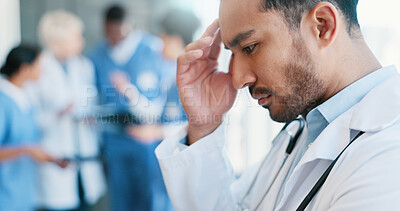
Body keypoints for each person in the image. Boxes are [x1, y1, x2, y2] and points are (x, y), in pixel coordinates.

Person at [155, 0, 400, 210]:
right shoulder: (302, 130)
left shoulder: (389, 160)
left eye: (249, 47)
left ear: (322, 26)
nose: (238, 79)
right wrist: (204, 126)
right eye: (231, 53)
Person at [89, 4, 170, 211]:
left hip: (146, 135)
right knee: (121, 195)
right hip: (114, 136)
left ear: (130, 26)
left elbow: (163, 98)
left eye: (119, 32)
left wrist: (128, 91)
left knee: (151, 195)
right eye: (110, 32)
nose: (114, 38)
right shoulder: (96, 56)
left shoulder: (154, 50)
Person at [26, 10, 106, 211]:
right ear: (59, 40)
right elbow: (29, 118)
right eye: (76, 36)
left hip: (85, 153)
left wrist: (92, 116)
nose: (82, 41)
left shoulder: (84, 66)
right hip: (55, 154)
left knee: (86, 202)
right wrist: (58, 114)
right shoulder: (38, 68)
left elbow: (91, 103)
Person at [0, 45, 66, 211]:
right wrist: (26, 150)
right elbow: (23, 147)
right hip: (6, 196)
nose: (42, 69)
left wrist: (49, 157)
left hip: (24, 194)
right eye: (38, 64)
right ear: (25, 68)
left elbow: (28, 141)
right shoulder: (3, 102)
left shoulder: (25, 98)